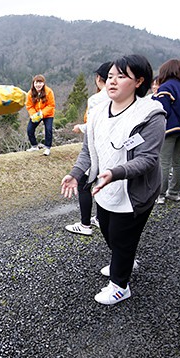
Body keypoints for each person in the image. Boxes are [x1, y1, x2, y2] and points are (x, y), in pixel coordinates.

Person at [61, 54, 166, 305]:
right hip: (105, 187)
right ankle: (125, 258)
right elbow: (89, 151)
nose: (112, 82)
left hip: (134, 191)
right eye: (110, 76)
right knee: (108, 230)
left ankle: (120, 285)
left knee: (121, 236)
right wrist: (76, 174)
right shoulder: (97, 112)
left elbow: (148, 159)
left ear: (139, 81)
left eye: (121, 76)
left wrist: (114, 173)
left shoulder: (151, 114)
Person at [65, 62, 111, 236]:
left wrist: (80, 127)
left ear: (99, 78)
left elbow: (94, 127)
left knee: (84, 184)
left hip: (96, 149)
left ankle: (85, 225)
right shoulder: (128, 98)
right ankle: (99, 218)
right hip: (112, 152)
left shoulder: (96, 99)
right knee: (103, 182)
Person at [152, 59, 180, 204]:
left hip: (171, 129)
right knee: (177, 162)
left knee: (163, 162)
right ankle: (174, 193)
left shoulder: (166, 87)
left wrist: (154, 96)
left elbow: (162, 109)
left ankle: (159, 195)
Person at [25, 74, 56, 156]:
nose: (38, 85)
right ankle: (34, 146)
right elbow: (29, 106)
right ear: (33, 83)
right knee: (30, 129)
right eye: (36, 83)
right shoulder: (30, 93)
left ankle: (47, 148)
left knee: (48, 130)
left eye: (40, 83)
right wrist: (33, 114)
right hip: (36, 114)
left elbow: (51, 105)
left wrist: (42, 113)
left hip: (48, 114)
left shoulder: (48, 92)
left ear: (43, 83)